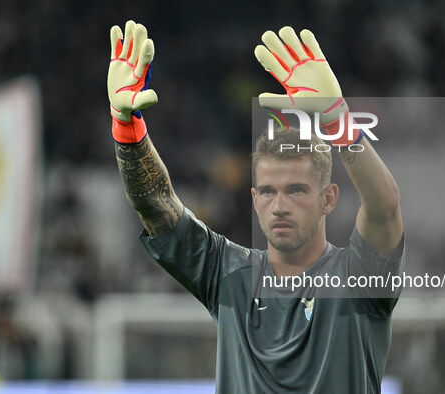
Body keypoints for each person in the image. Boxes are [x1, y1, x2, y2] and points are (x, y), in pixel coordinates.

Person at [107, 20, 405, 393]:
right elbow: (155, 204)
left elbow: (385, 207)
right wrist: (125, 128)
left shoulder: (359, 277)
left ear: (328, 198)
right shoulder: (227, 274)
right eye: (267, 191)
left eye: (296, 191)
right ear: (254, 199)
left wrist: (337, 120)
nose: (279, 205)